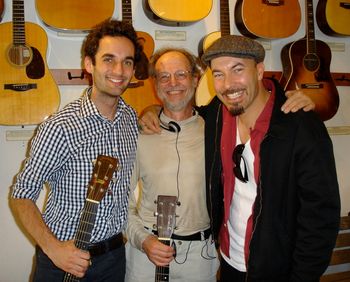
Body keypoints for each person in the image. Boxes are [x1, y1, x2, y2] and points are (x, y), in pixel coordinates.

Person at [139, 35, 340, 281]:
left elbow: (320, 218)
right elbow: (180, 108)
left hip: (278, 269)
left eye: (237, 70)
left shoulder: (301, 129)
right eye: (219, 74)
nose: (228, 84)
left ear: (259, 71)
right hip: (228, 263)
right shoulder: (217, 116)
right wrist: (150, 110)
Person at [10, 19, 141, 282]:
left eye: (127, 61)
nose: (119, 69)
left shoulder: (130, 118)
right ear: (89, 64)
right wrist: (54, 249)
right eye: (108, 59)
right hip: (64, 259)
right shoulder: (61, 127)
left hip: (114, 257)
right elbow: (21, 194)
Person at [125, 47, 220, 282]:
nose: (173, 83)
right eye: (164, 76)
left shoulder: (217, 130)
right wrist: (143, 240)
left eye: (181, 74)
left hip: (201, 258)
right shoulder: (138, 134)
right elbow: (119, 203)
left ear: (195, 79)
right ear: (155, 84)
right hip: (145, 256)